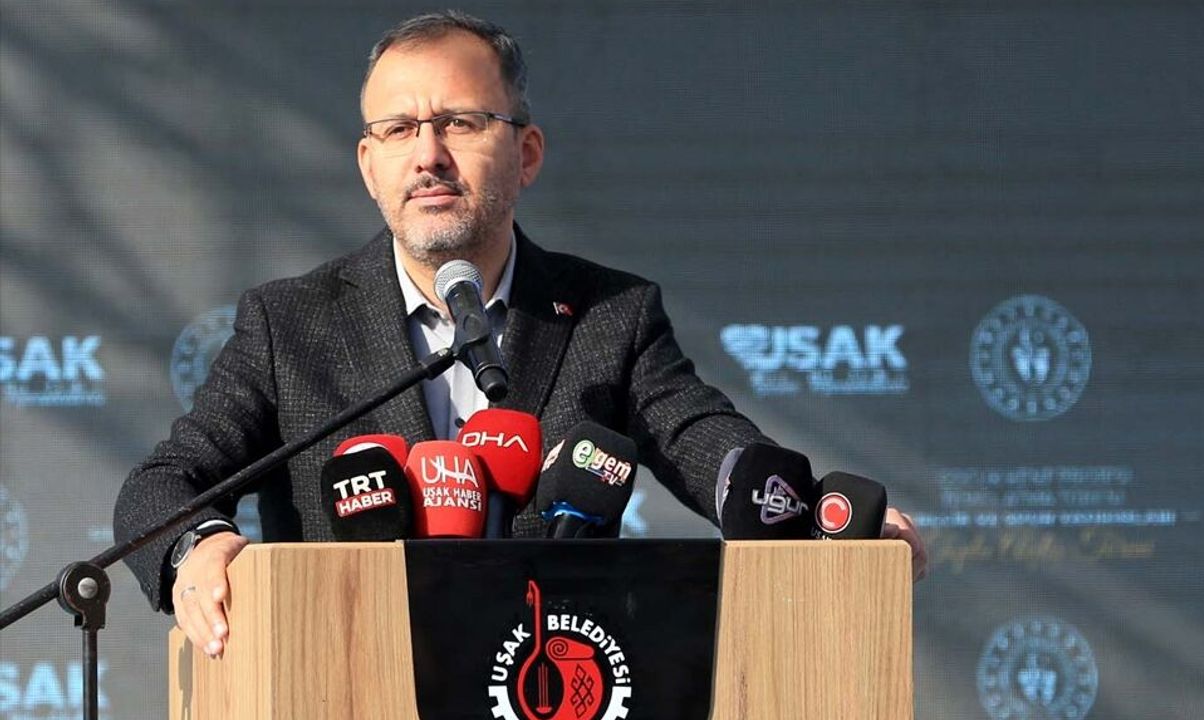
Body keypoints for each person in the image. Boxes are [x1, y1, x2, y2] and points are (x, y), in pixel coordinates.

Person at [113, 10, 927, 660]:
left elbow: (701, 440)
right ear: (368, 166)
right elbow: (163, 486)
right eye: (398, 130)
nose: (428, 155)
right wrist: (198, 548)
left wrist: (814, 513)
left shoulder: (609, 313)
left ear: (526, 153)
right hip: (343, 673)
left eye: (460, 122)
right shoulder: (289, 324)